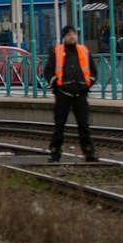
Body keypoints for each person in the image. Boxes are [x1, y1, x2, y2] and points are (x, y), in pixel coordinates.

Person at [41, 25, 97, 162]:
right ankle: (55, 152)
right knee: (59, 125)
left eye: (73, 34)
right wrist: (54, 82)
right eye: (69, 34)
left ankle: (88, 152)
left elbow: (93, 71)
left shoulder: (83, 51)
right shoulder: (57, 52)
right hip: (62, 93)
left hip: (80, 93)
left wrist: (88, 83)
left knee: (84, 125)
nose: (72, 36)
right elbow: (48, 71)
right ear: (64, 37)